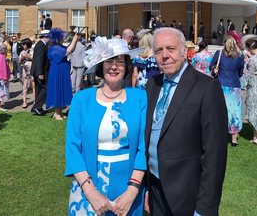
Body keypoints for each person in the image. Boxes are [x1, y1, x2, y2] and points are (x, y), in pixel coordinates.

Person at [144, 28, 227, 216]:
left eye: (170, 49)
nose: (165, 55)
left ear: (184, 51)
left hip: (187, 194)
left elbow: (215, 154)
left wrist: (205, 209)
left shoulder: (207, 88)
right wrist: (148, 187)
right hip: (156, 187)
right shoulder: (152, 84)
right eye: (158, 51)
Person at [65, 37, 147, 216]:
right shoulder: (81, 99)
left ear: (126, 66)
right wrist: (90, 192)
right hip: (88, 184)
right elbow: (72, 149)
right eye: (109, 60)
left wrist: (132, 191)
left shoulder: (140, 97)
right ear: (101, 65)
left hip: (128, 185)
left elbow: (144, 147)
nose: (114, 66)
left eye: (120, 61)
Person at [211, 35, 244, 147]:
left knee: (220, 110)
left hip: (221, 85)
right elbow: (240, 72)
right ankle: (234, 140)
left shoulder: (219, 54)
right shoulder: (239, 56)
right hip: (234, 86)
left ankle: (220, 135)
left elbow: (212, 66)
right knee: (234, 111)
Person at [46, 29, 78, 120]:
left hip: (62, 72)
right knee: (57, 90)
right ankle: (56, 113)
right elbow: (68, 51)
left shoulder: (59, 47)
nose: (62, 40)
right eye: (61, 39)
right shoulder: (54, 48)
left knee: (61, 90)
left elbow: (71, 50)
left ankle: (59, 112)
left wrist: (75, 42)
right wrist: (74, 40)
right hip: (57, 72)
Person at [30, 30, 50, 116]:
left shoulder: (41, 44)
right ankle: (36, 107)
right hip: (40, 71)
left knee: (39, 89)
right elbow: (39, 60)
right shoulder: (41, 45)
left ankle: (39, 107)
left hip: (40, 70)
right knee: (45, 88)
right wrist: (39, 73)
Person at [19, 38, 35, 109]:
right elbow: (20, 63)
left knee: (34, 85)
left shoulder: (34, 51)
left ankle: (35, 100)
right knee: (25, 85)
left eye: (23, 44)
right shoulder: (22, 52)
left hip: (33, 70)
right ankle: (24, 101)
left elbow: (37, 60)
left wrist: (30, 57)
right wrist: (21, 59)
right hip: (25, 71)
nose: (22, 46)